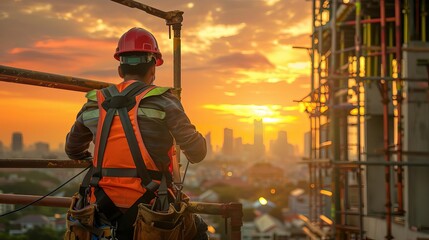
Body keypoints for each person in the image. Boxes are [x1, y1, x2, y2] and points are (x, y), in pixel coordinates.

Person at [65, 27, 207, 239]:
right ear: (153, 68)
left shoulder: (95, 103)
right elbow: (197, 153)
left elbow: (73, 149)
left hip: (100, 208)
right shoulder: (164, 100)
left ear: (120, 69)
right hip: (151, 208)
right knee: (199, 230)